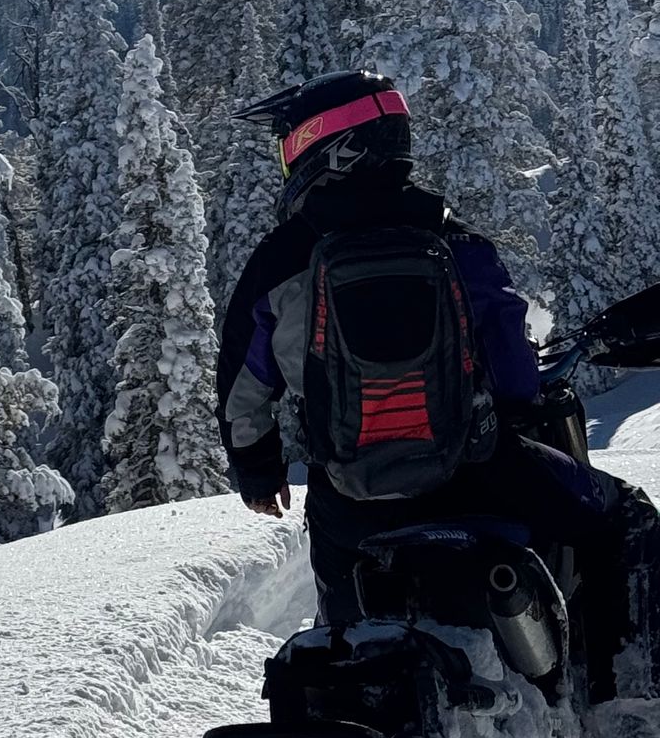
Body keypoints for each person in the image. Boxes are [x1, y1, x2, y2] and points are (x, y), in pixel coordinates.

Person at [216, 69, 649, 697]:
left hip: (349, 498)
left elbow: (242, 388)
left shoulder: (279, 262)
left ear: (332, 147)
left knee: (341, 629)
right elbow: (514, 374)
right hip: (474, 473)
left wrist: (257, 469)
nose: (289, 162)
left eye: (292, 147)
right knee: (623, 519)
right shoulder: (452, 238)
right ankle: (623, 703)